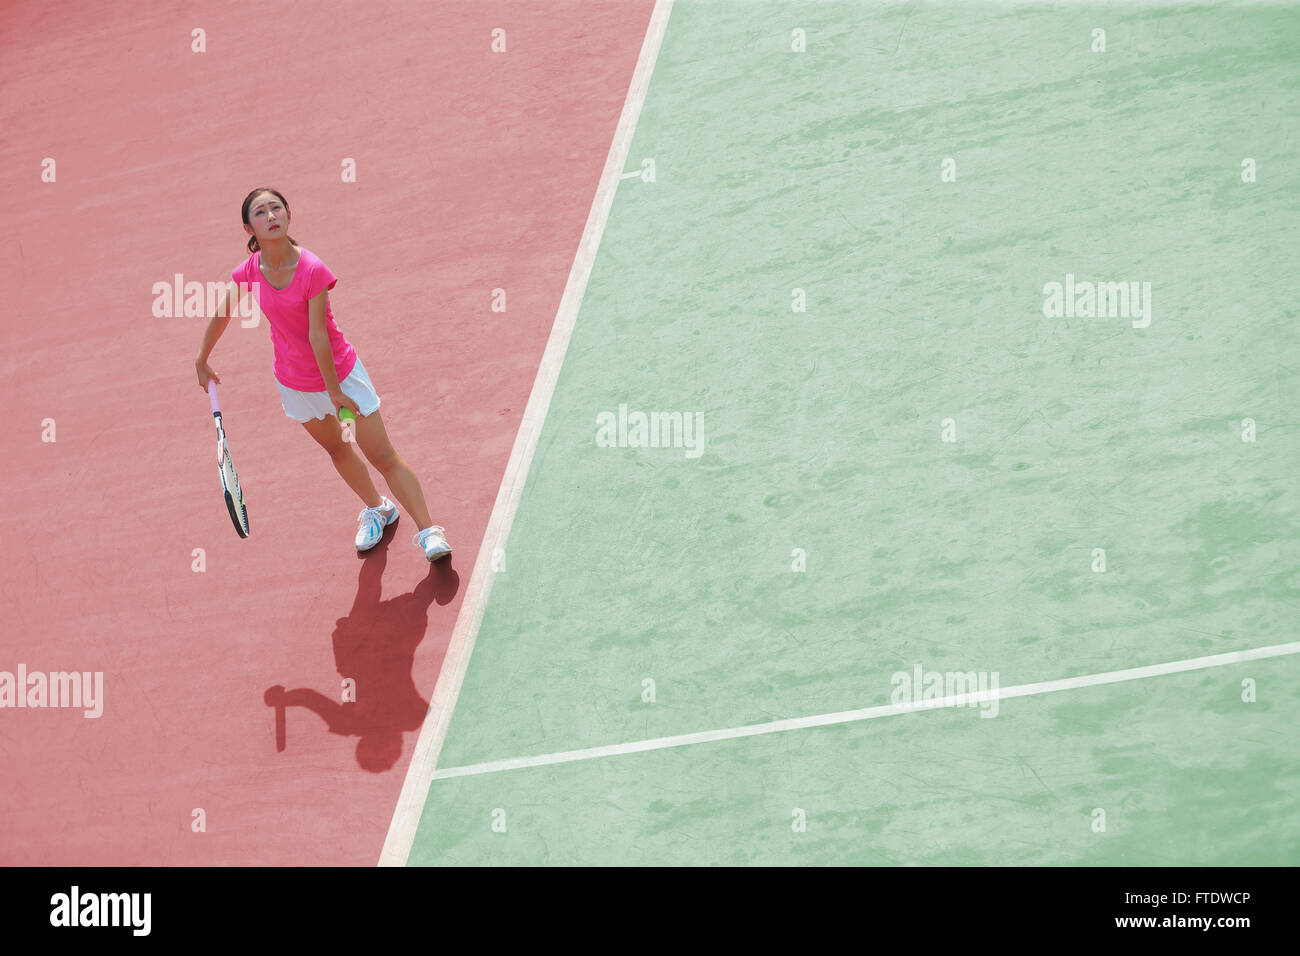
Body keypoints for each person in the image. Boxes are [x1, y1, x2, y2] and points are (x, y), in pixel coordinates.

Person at [194, 187, 451, 561]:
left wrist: (335, 391)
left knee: (382, 455)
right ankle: (377, 508)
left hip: (341, 377)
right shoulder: (251, 270)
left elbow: (318, 335)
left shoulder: (311, 269)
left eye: (276, 208)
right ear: (248, 226)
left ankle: (429, 531)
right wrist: (202, 358)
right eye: (261, 212)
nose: (271, 216)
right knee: (337, 448)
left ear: (288, 215)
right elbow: (224, 310)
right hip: (294, 382)